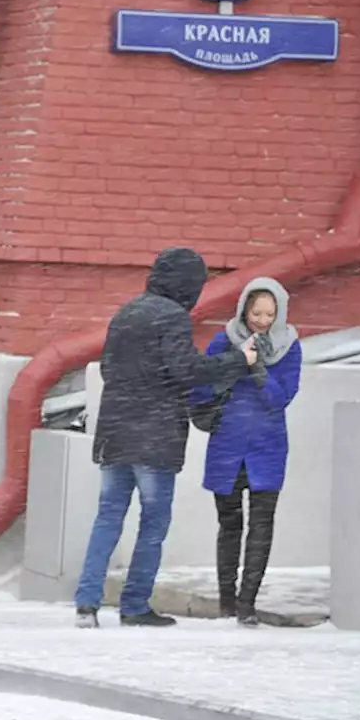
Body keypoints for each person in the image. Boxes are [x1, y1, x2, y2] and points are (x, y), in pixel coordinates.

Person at [74, 247, 257, 629]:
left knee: (108, 516)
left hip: (115, 432)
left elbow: (109, 367)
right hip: (154, 436)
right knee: (153, 523)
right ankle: (135, 605)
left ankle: (87, 603)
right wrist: (240, 361)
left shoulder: (127, 311)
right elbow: (187, 369)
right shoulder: (172, 317)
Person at [191, 277, 302, 626]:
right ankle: (227, 602)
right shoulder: (224, 340)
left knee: (261, 525)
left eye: (270, 314)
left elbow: (280, 398)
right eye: (256, 313)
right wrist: (234, 363)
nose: (262, 321)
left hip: (267, 446)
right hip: (228, 443)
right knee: (229, 525)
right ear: (244, 309)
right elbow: (202, 386)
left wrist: (256, 368)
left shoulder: (289, 346)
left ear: (280, 313)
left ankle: (247, 605)